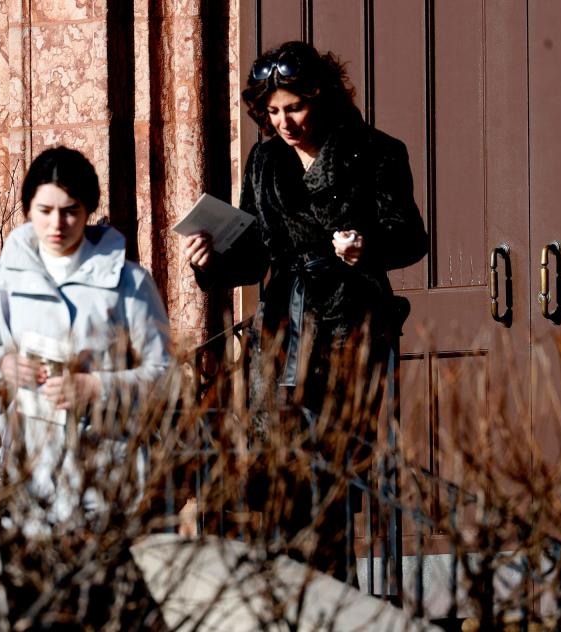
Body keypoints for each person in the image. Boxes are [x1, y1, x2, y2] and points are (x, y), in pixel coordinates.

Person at [182, 41, 427, 579]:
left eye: (293, 106)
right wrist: (210, 259)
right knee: (276, 469)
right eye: (271, 110)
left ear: (321, 96)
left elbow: (411, 237)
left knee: (333, 468)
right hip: (280, 329)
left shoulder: (377, 151)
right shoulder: (265, 160)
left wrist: (367, 246)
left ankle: (334, 593)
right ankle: (290, 594)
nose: (283, 121)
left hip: (348, 324)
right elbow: (252, 252)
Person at [0, 146, 171, 527]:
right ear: (28, 210)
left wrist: (95, 387)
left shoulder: (128, 281)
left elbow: (164, 373)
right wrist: (3, 365)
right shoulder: (2, 277)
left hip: (107, 467)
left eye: (70, 210)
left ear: (88, 211)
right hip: (27, 467)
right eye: (45, 211)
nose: (57, 224)